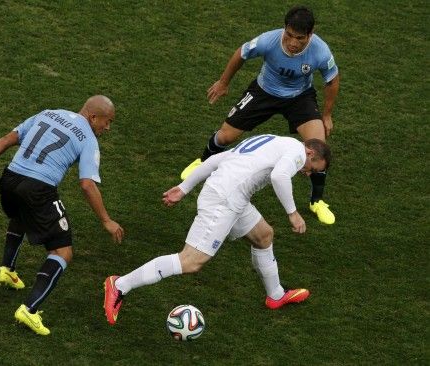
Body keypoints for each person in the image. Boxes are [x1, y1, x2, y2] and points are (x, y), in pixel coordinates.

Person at [104, 134, 331, 325]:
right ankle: (120, 284)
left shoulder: (274, 141)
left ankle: (276, 295)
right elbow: (279, 175)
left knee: (263, 236)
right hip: (224, 200)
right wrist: (292, 213)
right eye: (312, 168)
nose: (308, 172)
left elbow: (216, 160)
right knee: (191, 261)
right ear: (310, 153)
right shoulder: (297, 153)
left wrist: (184, 188)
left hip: (233, 196)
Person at [0, 95, 124, 335]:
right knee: (63, 251)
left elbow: (7, 139)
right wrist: (106, 220)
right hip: (38, 189)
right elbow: (87, 184)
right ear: (93, 117)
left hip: (9, 179)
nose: (108, 127)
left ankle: (7, 270)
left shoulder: (48, 113)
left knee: (21, 213)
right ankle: (29, 310)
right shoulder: (88, 140)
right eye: (107, 121)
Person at [181, 5, 339, 225]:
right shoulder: (268, 41)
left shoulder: (321, 51)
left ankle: (317, 201)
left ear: (310, 36)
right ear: (284, 29)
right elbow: (241, 53)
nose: (293, 43)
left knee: (318, 145)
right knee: (225, 136)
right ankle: (202, 162)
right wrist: (224, 82)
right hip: (264, 92)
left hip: (299, 97)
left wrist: (327, 114)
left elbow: (332, 80)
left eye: (300, 39)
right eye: (289, 35)